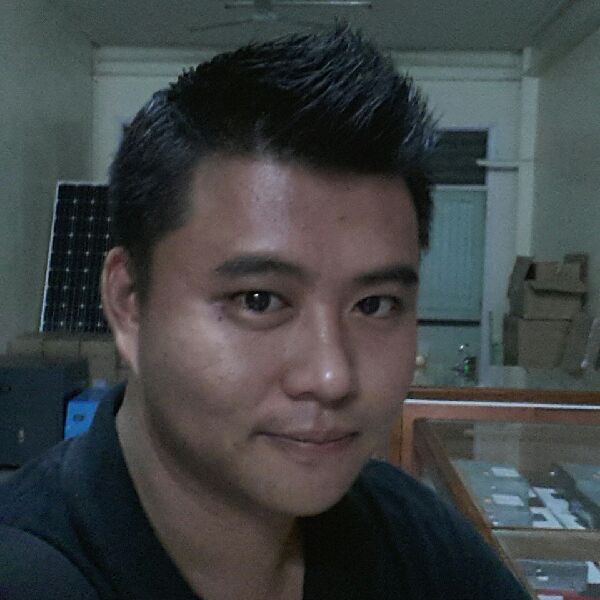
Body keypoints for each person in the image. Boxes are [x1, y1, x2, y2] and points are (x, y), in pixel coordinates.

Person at [0, 26, 529, 600]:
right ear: (129, 303)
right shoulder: (29, 574)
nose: (332, 377)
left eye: (374, 305)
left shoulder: (411, 534)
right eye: (259, 300)